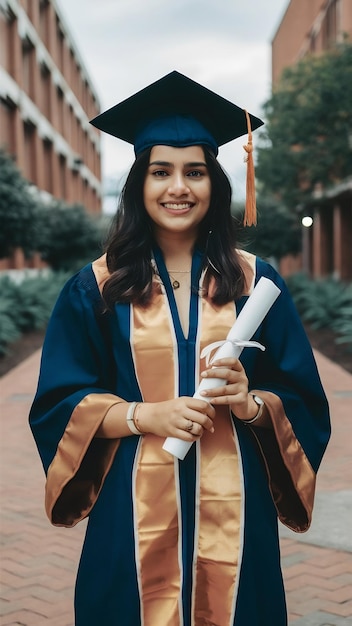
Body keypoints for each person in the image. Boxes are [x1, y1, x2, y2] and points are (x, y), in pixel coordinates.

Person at [29, 71, 330, 626]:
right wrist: (145, 414)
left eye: (195, 172)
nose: (178, 188)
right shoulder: (96, 286)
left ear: (215, 183)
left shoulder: (254, 281)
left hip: (237, 506)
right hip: (133, 503)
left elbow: (304, 397)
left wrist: (252, 403)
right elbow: (57, 401)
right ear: (138, 185)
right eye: (160, 171)